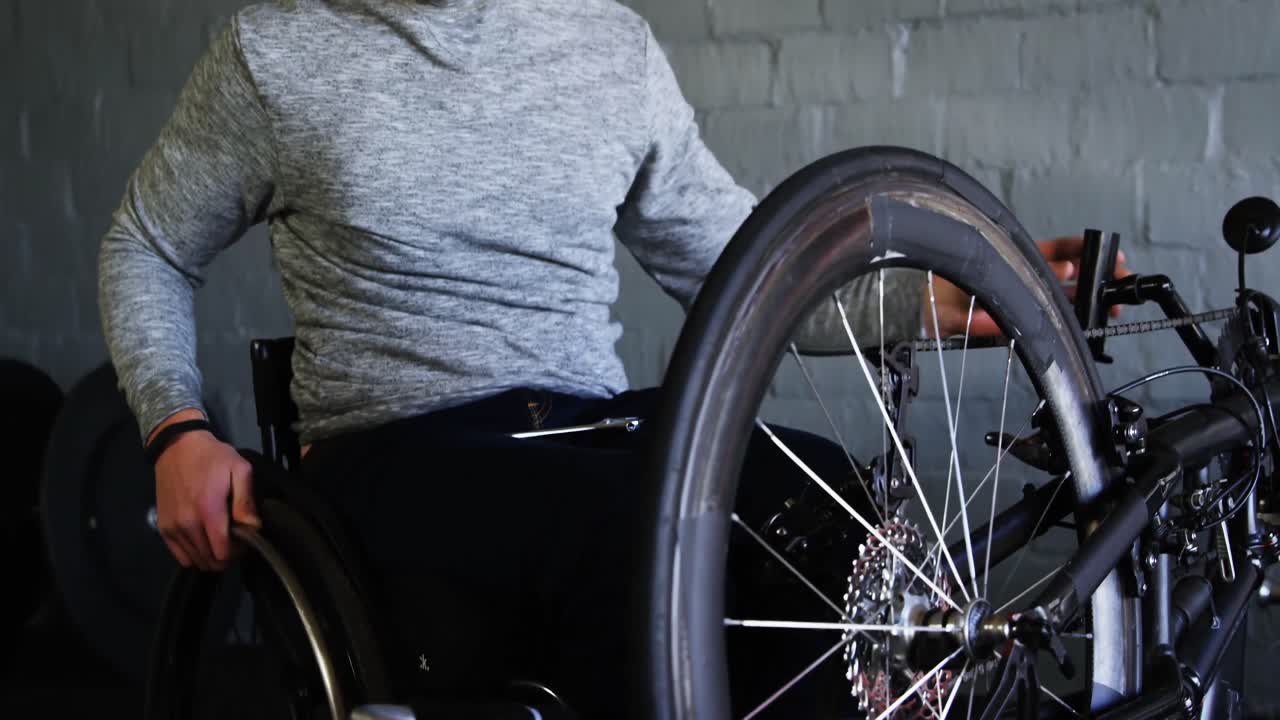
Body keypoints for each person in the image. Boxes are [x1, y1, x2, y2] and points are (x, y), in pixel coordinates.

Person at [98, 0, 1110, 715]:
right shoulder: (276, 54)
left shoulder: (605, 46)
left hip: (587, 426)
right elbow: (144, 244)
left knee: (825, 504)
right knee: (647, 545)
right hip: (392, 454)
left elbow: (740, 266)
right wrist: (174, 430)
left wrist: (938, 298)